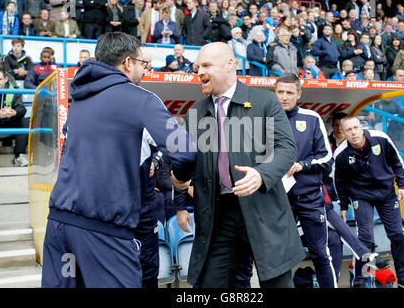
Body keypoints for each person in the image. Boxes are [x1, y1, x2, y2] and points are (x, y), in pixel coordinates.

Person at [41, 32, 197, 288]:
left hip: (59, 224)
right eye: (142, 63)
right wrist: (180, 181)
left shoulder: (79, 100)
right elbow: (185, 151)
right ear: (127, 63)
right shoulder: (140, 98)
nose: (145, 71)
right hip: (103, 228)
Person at [181, 42, 304, 288]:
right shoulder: (195, 113)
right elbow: (185, 164)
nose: (199, 72)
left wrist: (261, 174)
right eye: (197, 67)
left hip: (262, 209)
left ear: (230, 64)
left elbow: (286, 148)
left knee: (277, 283)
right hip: (218, 216)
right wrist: (177, 182)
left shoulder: (263, 101)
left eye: (206, 65)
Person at [333, 115, 404, 288]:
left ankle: (403, 277)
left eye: (356, 127)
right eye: (349, 130)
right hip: (361, 196)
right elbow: (339, 182)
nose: (354, 132)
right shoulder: (340, 154)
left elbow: (398, 162)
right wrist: (343, 205)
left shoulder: (381, 138)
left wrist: (402, 185)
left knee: (397, 234)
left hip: (386, 193)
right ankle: (360, 280)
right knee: (365, 238)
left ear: (361, 127)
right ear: (343, 133)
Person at [274, 72, 336, 288]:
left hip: (309, 197)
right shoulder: (265, 119)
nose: (284, 97)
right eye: (280, 92)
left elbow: (327, 157)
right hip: (277, 201)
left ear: (299, 94)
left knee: (319, 253)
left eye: (289, 93)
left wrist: (302, 165)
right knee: (278, 256)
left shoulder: (311, 118)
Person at [0, 68, 28, 167]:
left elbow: (22, 109)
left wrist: (14, 112)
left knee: (24, 122)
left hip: (9, 122)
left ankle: (19, 157)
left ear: (5, 79)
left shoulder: (14, 90)